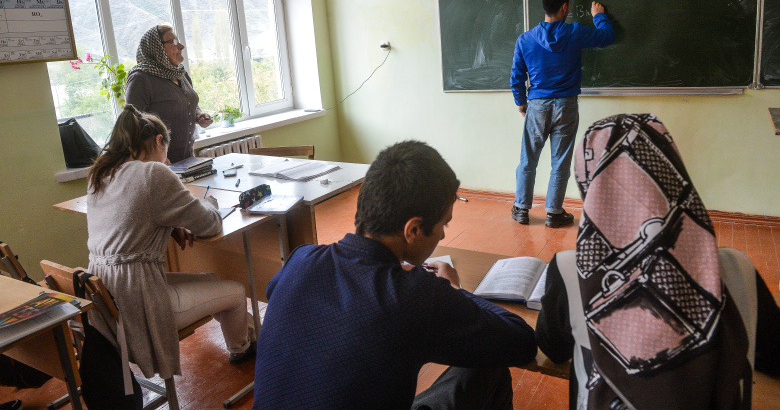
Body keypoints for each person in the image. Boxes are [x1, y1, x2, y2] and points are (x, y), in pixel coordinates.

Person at [252, 141, 538, 410]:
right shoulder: (415, 296)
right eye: (443, 225)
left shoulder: (301, 259)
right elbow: (522, 342)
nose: (442, 235)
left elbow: (274, 291)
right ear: (413, 230)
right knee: (489, 366)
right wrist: (455, 290)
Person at [535, 114, 780, 410]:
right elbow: (774, 355)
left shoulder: (568, 270)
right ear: (671, 169)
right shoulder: (740, 269)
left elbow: (552, 348)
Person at [86, 105, 255, 383]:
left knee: (211, 279)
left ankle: (250, 337)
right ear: (158, 141)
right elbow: (210, 224)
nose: (167, 160)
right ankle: (243, 349)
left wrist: (171, 222)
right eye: (165, 150)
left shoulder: (101, 175)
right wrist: (210, 202)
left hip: (108, 295)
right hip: (142, 302)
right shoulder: (153, 173)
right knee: (236, 292)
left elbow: (135, 215)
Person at [510, 0, 615, 228]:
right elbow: (607, 37)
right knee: (560, 161)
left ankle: (521, 209)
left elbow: (517, 76)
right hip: (566, 106)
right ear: (565, 7)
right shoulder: (575, 32)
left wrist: (521, 101)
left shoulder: (526, 39)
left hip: (537, 105)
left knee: (528, 159)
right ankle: (554, 213)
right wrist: (598, 16)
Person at [125, 25, 213, 164]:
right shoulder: (140, 78)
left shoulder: (179, 73)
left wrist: (198, 115)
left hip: (187, 160)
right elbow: (132, 125)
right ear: (156, 48)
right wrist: (157, 158)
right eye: (173, 41)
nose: (181, 46)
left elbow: (187, 102)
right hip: (159, 164)